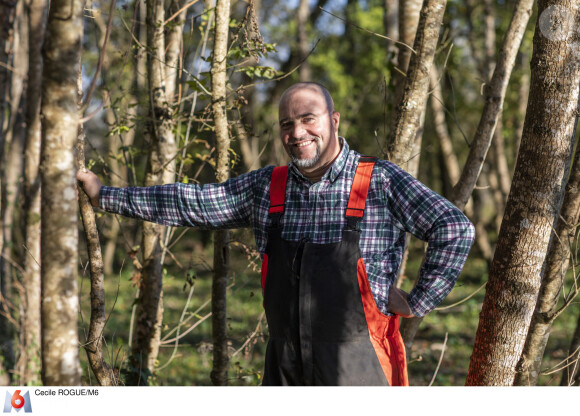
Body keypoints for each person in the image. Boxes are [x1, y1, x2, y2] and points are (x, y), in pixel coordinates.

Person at [77, 82, 475, 386]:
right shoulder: (269, 188)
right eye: (287, 123)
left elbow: (454, 228)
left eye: (308, 119)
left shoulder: (379, 181)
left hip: (361, 370)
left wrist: (420, 300)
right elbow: (192, 202)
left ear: (333, 120)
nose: (297, 132)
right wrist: (105, 196)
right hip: (285, 369)